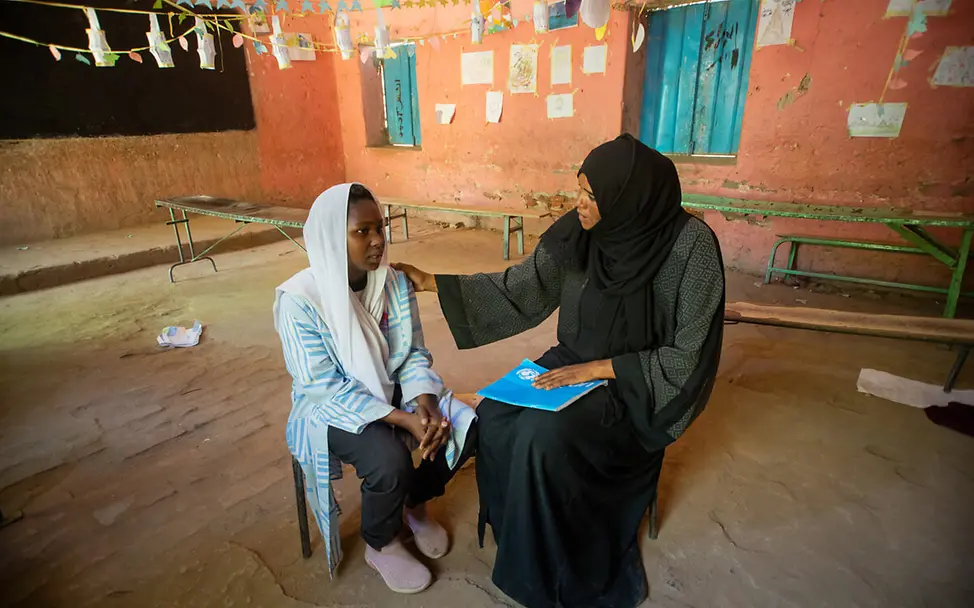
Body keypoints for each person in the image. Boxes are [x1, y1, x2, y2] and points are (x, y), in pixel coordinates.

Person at [394, 134, 725, 608]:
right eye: (579, 190)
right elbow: (524, 286)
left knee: (542, 437)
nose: (579, 205)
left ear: (627, 198)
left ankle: (548, 572)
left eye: (591, 195)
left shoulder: (691, 250)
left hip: (633, 383)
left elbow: (689, 355)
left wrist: (602, 368)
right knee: (495, 417)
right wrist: (432, 283)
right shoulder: (581, 231)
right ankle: (522, 542)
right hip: (572, 362)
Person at [273, 183, 477, 594]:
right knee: (387, 458)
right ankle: (381, 541)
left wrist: (424, 402)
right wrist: (400, 418)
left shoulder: (393, 284)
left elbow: (414, 354)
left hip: (391, 390)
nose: (377, 241)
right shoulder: (299, 300)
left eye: (379, 228)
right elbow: (321, 387)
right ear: (333, 237)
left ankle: (413, 502)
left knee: (463, 424)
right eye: (361, 232)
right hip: (329, 407)